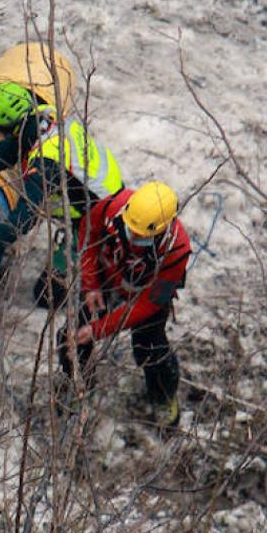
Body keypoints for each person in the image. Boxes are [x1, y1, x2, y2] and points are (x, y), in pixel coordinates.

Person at [0, 81, 124, 304]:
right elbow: (13, 147)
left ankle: (106, 278)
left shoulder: (47, 160)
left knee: (47, 295)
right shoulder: (45, 116)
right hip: (104, 188)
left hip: (98, 216)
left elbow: (27, 213)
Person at [68, 181, 190, 427]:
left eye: (141, 234)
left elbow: (147, 305)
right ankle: (81, 387)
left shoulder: (176, 250)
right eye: (131, 228)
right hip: (107, 275)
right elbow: (87, 233)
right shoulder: (114, 207)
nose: (133, 236)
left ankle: (163, 397)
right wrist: (90, 283)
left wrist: (100, 329)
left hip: (146, 292)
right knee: (71, 337)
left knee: (150, 349)